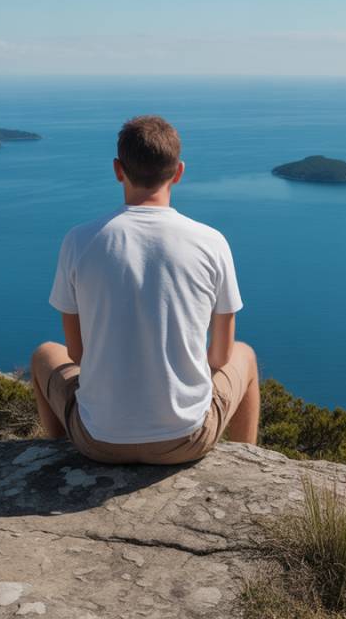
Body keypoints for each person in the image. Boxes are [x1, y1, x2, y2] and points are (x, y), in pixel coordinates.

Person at [30, 115, 259, 464]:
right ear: (179, 172)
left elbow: (77, 354)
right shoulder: (211, 243)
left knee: (45, 353)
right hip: (187, 440)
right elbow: (220, 358)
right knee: (246, 355)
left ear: (118, 169)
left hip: (97, 441)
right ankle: (246, 462)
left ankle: (57, 459)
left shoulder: (79, 241)